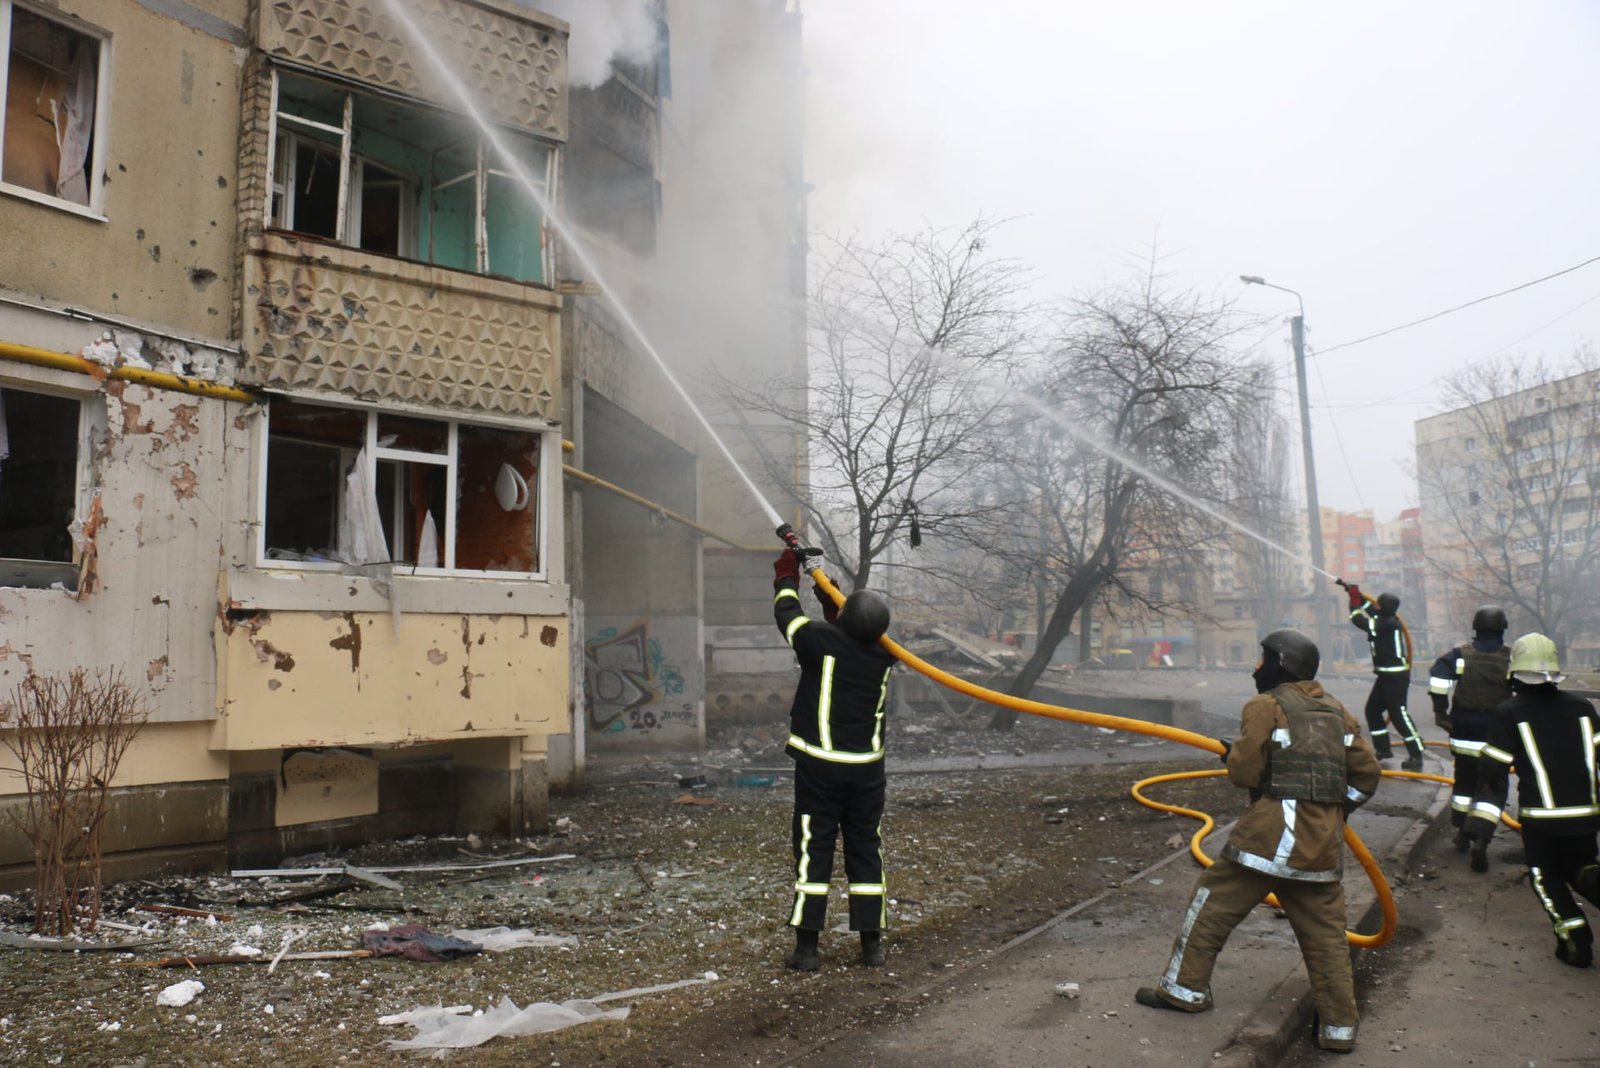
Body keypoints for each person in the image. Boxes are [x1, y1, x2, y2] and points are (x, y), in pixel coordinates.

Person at [1136, 629, 1381, 1054]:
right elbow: (1367, 776)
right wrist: (1335, 812)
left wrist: (1235, 755)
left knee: (1212, 905)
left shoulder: (1265, 706)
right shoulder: (1338, 711)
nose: (1255, 667)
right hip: (1320, 847)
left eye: (1261, 658)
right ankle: (1339, 1028)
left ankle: (1184, 990)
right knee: (1326, 936)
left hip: (1267, 840)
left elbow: (1244, 775)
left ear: (1279, 664)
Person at [772, 549, 897, 971]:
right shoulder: (885, 656)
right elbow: (845, 629)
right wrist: (830, 595)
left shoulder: (818, 643)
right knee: (866, 850)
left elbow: (787, 615)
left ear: (844, 621)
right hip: (866, 772)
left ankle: (807, 949)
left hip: (820, 770)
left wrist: (786, 575)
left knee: (814, 850)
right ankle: (871, 946)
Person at [1473, 634, 1600, 968]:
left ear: (1515, 674)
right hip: (1587, 813)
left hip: (1542, 817)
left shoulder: (1509, 712)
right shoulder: (1583, 707)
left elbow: (1494, 766)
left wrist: (1487, 778)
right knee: (1583, 866)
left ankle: (1576, 941)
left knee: (1546, 877)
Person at [1427, 604, 1513, 872]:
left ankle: (1462, 832)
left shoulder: (1459, 655)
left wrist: (1442, 714)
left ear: (1476, 628)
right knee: (1492, 784)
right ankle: (1482, 838)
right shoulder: (1510, 659)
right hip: (1495, 734)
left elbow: (1437, 680)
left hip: (1464, 731)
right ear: (1502, 629)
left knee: (1464, 781)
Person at [1344, 583, 1423, 770]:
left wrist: (1354, 602)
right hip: (1386, 676)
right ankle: (1383, 749)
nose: (1375, 607)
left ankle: (1416, 753)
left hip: (1395, 678)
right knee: (1372, 711)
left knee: (1398, 715)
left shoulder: (1384, 624)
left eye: (1378, 604)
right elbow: (1370, 609)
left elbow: (1357, 619)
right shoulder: (1385, 617)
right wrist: (1356, 595)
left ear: (1382, 606)